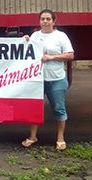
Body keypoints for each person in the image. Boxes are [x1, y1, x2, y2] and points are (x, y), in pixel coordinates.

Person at [21, 9, 74, 151]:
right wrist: (25, 41)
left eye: (48, 19)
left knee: (59, 108)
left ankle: (60, 138)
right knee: (35, 108)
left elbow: (70, 55)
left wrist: (51, 57)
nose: (45, 21)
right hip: (38, 80)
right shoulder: (34, 36)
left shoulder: (60, 36)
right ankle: (33, 136)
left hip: (56, 78)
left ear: (53, 21)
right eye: (42, 19)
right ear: (39, 21)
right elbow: (27, 52)